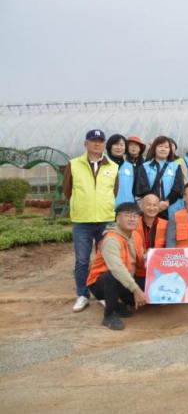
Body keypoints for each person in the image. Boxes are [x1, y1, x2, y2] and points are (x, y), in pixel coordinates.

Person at [63, 129, 120, 312]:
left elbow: (114, 192)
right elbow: (67, 191)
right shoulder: (73, 165)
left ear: (104, 144)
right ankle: (82, 294)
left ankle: (102, 294)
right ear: (85, 144)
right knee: (81, 260)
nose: (97, 144)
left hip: (105, 220)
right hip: (82, 221)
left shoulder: (112, 167)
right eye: (93, 141)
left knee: (104, 259)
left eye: (100, 141)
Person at [86, 202, 147, 330]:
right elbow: (116, 268)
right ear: (117, 218)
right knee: (112, 276)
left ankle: (120, 304)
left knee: (152, 289)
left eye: (135, 216)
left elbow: (142, 257)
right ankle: (109, 315)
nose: (132, 219)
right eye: (127, 215)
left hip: (127, 279)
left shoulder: (136, 235)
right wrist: (136, 290)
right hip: (101, 283)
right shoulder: (111, 240)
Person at [134, 135, 184, 219]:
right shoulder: (145, 167)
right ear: (154, 148)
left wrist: (167, 202)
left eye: (166, 147)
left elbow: (178, 188)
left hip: (172, 208)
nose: (163, 149)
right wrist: (156, 204)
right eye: (160, 146)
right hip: (151, 209)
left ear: (170, 150)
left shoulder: (175, 166)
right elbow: (142, 188)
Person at [107, 134, 135, 206]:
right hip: (107, 208)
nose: (119, 147)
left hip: (127, 208)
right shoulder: (103, 164)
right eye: (116, 144)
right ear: (110, 146)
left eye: (122, 145)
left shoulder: (130, 166)